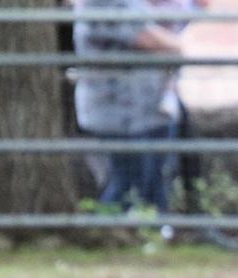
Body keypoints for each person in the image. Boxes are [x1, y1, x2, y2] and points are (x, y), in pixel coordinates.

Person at [73, 0, 186, 210]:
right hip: (119, 112)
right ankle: (104, 236)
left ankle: (155, 236)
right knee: (129, 186)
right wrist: (185, 46)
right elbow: (144, 36)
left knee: (157, 185)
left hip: (156, 107)